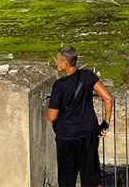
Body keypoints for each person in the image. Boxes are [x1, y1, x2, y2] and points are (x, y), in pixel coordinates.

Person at [46, 46, 113, 187]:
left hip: (67, 136)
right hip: (89, 132)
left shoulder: (59, 85)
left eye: (57, 60)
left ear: (65, 62)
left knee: (67, 178)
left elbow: (52, 116)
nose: (56, 63)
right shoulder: (88, 75)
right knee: (92, 176)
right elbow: (108, 98)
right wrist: (106, 122)